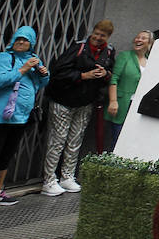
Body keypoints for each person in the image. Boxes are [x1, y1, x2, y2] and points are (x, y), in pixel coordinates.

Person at [43, 20, 116, 196]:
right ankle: (48, 180)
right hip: (64, 100)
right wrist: (84, 75)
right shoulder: (79, 47)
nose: (98, 38)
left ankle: (67, 176)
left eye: (103, 35)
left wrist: (105, 74)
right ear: (93, 31)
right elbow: (58, 72)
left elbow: (110, 73)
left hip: (85, 103)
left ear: (108, 37)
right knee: (57, 141)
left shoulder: (109, 51)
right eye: (97, 33)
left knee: (75, 142)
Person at [0, 26, 49, 206]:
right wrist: (23, 69)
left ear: (31, 43)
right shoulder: (4, 58)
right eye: (18, 39)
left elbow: (39, 85)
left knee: (5, 156)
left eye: (25, 40)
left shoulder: (34, 60)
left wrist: (44, 75)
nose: (21, 42)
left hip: (20, 118)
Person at [105, 30, 151, 150]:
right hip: (122, 103)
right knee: (117, 139)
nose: (139, 40)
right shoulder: (125, 56)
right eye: (137, 37)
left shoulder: (150, 61)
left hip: (138, 106)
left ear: (150, 43)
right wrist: (113, 101)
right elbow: (114, 79)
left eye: (143, 38)